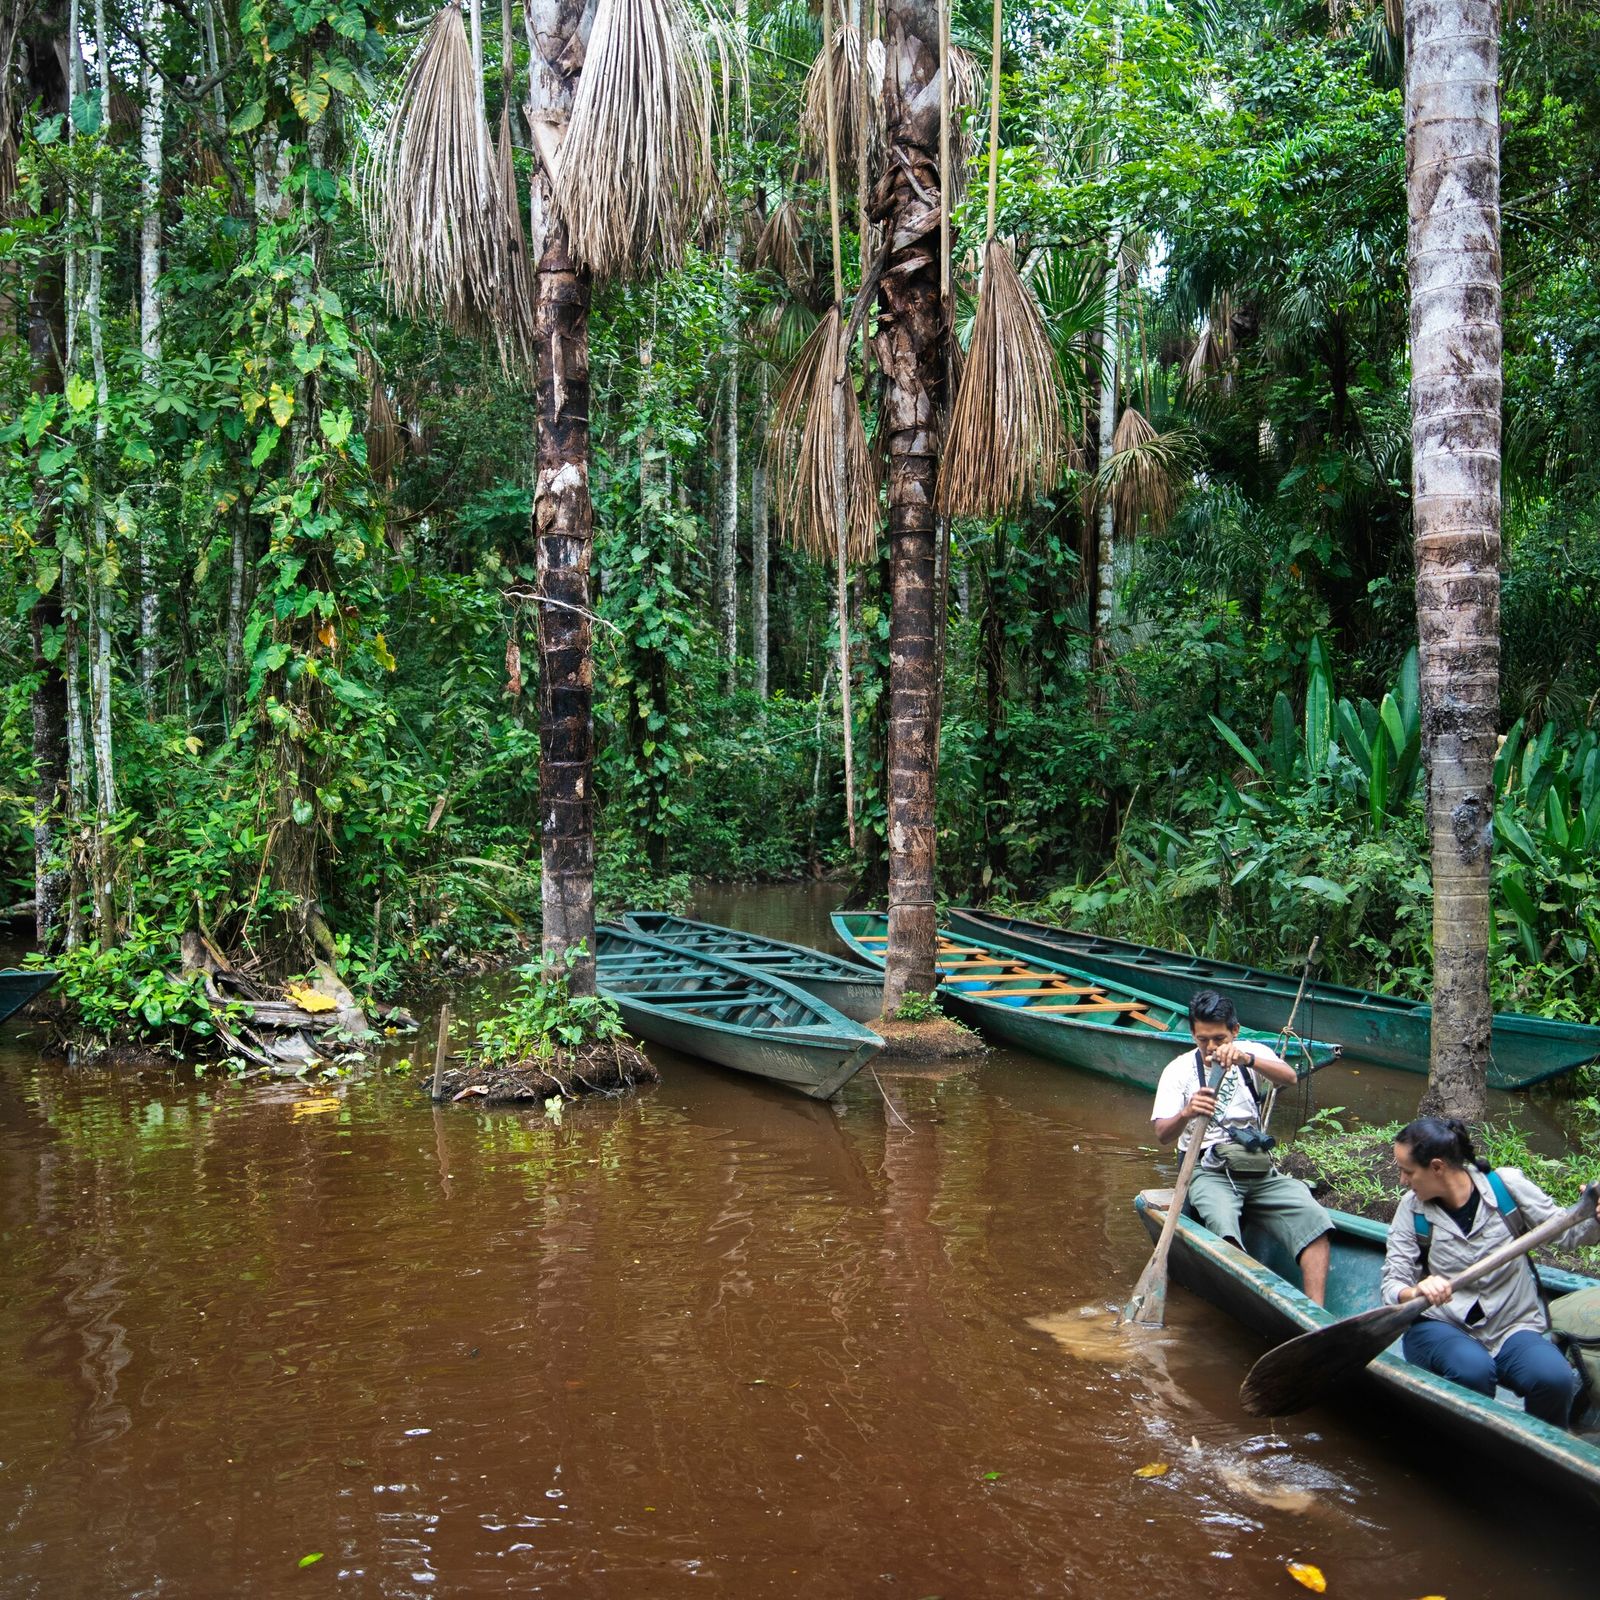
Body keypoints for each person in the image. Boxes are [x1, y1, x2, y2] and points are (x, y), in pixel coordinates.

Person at [1381, 1115, 1600, 1427]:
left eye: (1407, 1172)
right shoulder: (1412, 1210)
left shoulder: (1505, 1188)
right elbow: (1393, 1282)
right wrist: (1417, 1290)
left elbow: (1565, 1234)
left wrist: (1594, 1219)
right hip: (1442, 1326)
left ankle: (1543, 1455)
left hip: (1511, 1325)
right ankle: (1471, 1453)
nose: (1403, 1180)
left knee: (1554, 1378)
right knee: (1473, 1371)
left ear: (1438, 1167)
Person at [1150, 990, 1332, 1305]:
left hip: (1258, 1168)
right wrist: (1187, 1112)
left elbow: (1289, 1077)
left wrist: (1246, 1058)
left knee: (1314, 1221)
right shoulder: (1178, 1071)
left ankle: (1316, 1313)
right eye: (1202, 1039)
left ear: (1235, 1031)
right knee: (1224, 1228)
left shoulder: (1251, 1053)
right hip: (1207, 1170)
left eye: (1219, 1039)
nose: (1210, 1047)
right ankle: (1250, 1303)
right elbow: (1163, 1134)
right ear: (1193, 1033)